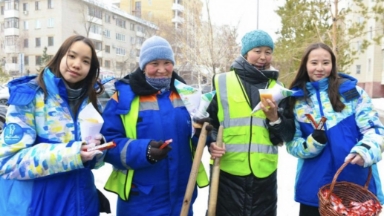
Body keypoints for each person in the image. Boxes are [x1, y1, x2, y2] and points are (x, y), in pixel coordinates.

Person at [101, 35, 209, 216]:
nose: (162, 69)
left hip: (182, 197)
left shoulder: (186, 95)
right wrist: (144, 151)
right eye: (154, 63)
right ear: (143, 66)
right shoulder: (123, 96)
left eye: (167, 62)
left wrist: (203, 132)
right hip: (141, 200)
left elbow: (193, 142)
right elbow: (108, 143)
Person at [0, 35, 107, 215]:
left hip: (83, 206)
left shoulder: (90, 102)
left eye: (85, 61)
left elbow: (93, 164)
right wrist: (73, 153)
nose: (76, 64)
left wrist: (98, 149)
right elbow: (8, 163)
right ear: (59, 56)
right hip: (41, 207)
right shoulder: (30, 97)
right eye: (71, 56)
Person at [285, 42, 384, 216]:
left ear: (333, 65)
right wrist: (313, 144)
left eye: (326, 62)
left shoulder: (353, 93)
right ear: (305, 65)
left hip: (356, 185)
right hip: (313, 187)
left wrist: (365, 151)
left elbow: (374, 129)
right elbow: (293, 144)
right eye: (314, 63)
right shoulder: (296, 101)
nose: (320, 68)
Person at [207, 29, 295, 215]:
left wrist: (274, 118)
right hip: (227, 174)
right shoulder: (222, 82)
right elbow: (208, 123)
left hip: (264, 176)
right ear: (245, 52)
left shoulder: (278, 89)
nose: (263, 57)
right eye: (257, 51)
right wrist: (212, 141)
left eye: (268, 52)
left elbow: (287, 135)